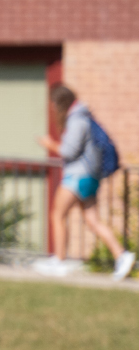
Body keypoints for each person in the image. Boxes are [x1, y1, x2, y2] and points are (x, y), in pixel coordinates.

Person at [36, 84, 134, 279]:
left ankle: (59, 261)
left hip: (77, 177)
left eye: (53, 104)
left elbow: (68, 151)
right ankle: (122, 255)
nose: (53, 109)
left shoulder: (77, 120)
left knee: (57, 214)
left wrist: (49, 144)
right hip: (89, 177)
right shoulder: (84, 117)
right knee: (93, 221)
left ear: (60, 103)